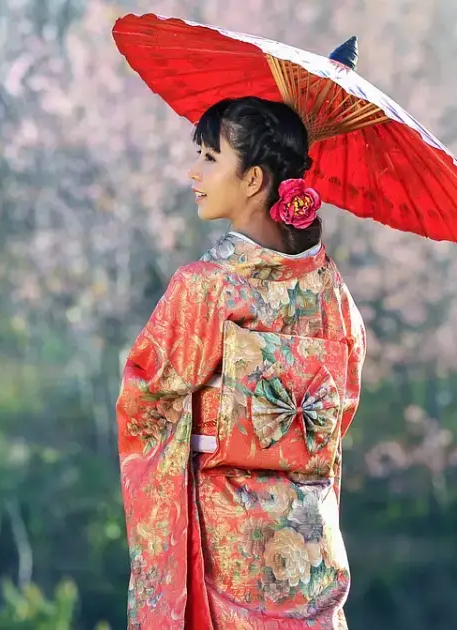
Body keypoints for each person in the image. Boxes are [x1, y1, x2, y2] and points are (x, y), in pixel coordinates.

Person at [115, 96, 366, 629]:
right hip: (307, 539)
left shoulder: (207, 287)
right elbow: (339, 407)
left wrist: (212, 431)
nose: (195, 172)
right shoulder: (330, 292)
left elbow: (146, 397)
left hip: (228, 539)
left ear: (253, 179)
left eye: (210, 157)